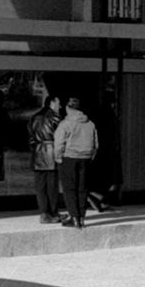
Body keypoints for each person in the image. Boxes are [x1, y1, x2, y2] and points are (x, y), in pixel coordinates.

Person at [53, 95, 99, 229]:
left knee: (70, 189)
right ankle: (82, 217)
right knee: (82, 189)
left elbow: (59, 143)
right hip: (85, 158)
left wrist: (58, 157)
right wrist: (90, 156)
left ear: (68, 108)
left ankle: (74, 218)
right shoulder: (90, 124)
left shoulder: (65, 124)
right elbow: (96, 144)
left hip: (69, 158)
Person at [28, 92, 64, 224]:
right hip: (51, 153)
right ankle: (53, 212)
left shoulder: (34, 117)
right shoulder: (55, 118)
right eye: (58, 104)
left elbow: (30, 137)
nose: (60, 107)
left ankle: (44, 212)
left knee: (40, 186)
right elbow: (61, 137)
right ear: (52, 103)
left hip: (38, 153)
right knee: (52, 186)